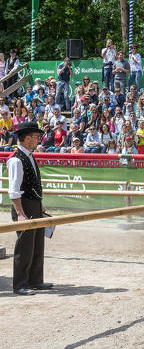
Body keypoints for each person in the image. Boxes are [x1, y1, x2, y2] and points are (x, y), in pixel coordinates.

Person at [8, 122, 51, 295]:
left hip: (33, 204)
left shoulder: (29, 155)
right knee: (25, 246)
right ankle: (20, 284)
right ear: (27, 138)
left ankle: (35, 280)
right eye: (36, 136)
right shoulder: (16, 159)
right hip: (23, 207)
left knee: (37, 244)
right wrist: (20, 213)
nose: (38, 140)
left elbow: (32, 183)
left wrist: (39, 203)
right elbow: (14, 190)